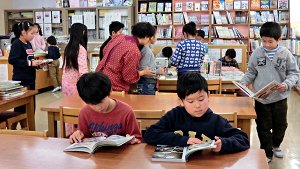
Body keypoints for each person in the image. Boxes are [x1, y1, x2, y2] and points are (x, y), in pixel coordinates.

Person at [144, 71, 249, 154]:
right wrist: (184, 140)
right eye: (190, 101)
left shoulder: (216, 121)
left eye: (201, 99)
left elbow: (243, 139)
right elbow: (150, 134)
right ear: (181, 101)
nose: (197, 105)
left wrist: (224, 144)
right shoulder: (174, 115)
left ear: (208, 96)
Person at [240, 22, 300, 163]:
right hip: (262, 98)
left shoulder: (285, 53)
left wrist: (286, 84)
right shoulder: (257, 52)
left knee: (281, 126)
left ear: (279, 39)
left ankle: (276, 144)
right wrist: (244, 81)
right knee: (263, 127)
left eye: (270, 41)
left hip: (280, 97)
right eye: (264, 41)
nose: (266, 44)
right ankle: (266, 152)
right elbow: (251, 72)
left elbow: (293, 73)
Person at [69, 71, 142, 144]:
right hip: (95, 154)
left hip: (120, 153)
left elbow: (137, 138)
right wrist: (77, 136)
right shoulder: (85, 112)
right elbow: (84, 136)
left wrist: (132, 140)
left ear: (110, 91)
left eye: (101, 102)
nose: (98, 108)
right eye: (92, 104)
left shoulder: (126, 111)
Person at [95, 22, 156, 92]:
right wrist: (143, 72)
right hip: (113, 85)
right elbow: (129, 77)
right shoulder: (134, 51)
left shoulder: (119, 37)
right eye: (150, 37)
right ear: (145, 37)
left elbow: (105, 50)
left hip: (99, 77)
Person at [8, 20, 45, 129]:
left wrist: (38, 64)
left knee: (30, 106)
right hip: (21, 80)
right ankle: (18, 128)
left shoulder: (28, 44)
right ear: (23, 32)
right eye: (32, 33)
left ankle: (25, 127)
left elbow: (30, 60)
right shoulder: (17, 43)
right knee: (20, 108)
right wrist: (30, 63)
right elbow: (12, 60)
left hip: (30, 79)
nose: (34, 36)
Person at [62, 23, 89, 135]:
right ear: (82, 33)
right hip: (75, 84)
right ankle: (80, 133)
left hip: (65, 82)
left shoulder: (69, 47)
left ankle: (69, 133)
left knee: (69, 109)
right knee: (80, 110)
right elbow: (83, 71)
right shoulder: (81, 49)